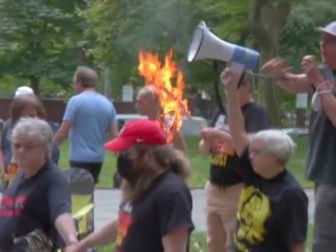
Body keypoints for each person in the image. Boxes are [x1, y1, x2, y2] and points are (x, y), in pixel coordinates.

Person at [65, 119, 194, 252]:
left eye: (126, 154)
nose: (120, 158)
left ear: (148, 156)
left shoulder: (171, 193)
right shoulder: (140, 184)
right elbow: (123, 222)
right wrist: (81, 246)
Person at [262, 20, 336, 252]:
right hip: (326, 171)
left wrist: (317, 80)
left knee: (325, 241)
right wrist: (280, 76)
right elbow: (296, 84)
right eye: (322, 41)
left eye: (330, 42)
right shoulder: (325, 73)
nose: (322, 46)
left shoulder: (321, 77)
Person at [221, 68, 308, 252]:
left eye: (256, 151)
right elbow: (238, 132)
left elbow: (297, 245)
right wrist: (231, 90)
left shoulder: (291, 195)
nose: (249, 155)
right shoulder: (254, 172)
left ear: (274, 157)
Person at [199, 70, 270, 252]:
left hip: (237, 188)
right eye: (226, 87)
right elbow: (204, 149)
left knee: (235, 244)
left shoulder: (256, 112)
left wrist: (219, 134)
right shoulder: (222, 112)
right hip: (214, 187)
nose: (227, 91)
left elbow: (250, 146)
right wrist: (207, 140)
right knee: (214, 244)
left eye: (234, 86)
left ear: (248, 86)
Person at [0, 117, 77, 251]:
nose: (21, 150)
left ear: (45, 149)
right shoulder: (21, 175)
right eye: (17, 145)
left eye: (29, 147)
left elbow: (62, 212)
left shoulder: (53, 179)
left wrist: (71, 239)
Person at [53, 66, 118, 184]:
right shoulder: (107, 104)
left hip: (79, 157)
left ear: (79, 82)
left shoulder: (75, 102)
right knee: (90, 192)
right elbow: (115, 135)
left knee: (79, 196)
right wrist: (120, 159)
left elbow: (63, 132)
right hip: (98, 159)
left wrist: (50, 148)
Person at [0, 94, 59, 191]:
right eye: (22, 117)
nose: (27, 122)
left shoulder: (47, 146)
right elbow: (12, 174)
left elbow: (51, 177)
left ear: (40, 117)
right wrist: (9, 183)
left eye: (32, 116)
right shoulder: (17, 144)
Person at [135, 85, 187, 152]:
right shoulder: (147, 125)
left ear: (153, 103)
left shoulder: (169, 127)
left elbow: (182, 155)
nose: (136, 106)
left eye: (140, 102)